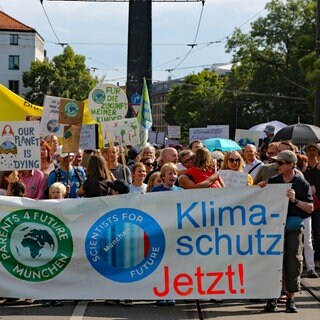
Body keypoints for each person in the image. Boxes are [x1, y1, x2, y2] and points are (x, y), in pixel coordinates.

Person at [260, 150, 313, 313]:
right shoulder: (274, 181)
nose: (277, 166)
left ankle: (291, 299)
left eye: (281, 163)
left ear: (291, 165)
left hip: (292, 228)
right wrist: (258, 188)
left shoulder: (301, 183)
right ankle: (272, 297)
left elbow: (310, 207)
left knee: (293, 262)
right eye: (277, 162)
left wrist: (295, 200)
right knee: (273, 261)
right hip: (274, 227)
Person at [151, 162, 182, 306]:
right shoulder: (155, 191)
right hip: (159, 231)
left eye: (175, 173)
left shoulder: (180, 191)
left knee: (173, 263)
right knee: (161, 262)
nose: (173, 176)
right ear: (163, 177)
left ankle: (171, 293)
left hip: (174, 232)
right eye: (170, 174)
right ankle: (160, 293)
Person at [296, 153, 318, 278]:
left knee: (307, 241)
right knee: (304, 241)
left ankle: (310, 267)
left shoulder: (302, 176)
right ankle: (307, 267)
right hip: (295, 215)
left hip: (304, 214)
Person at [303, 143, 320, 273]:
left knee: (318, 232)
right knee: (309, 234)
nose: (312, 152)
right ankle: (310, 259)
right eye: (309, 150)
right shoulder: (304, 168)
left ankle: (318, 258)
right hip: (308, 204)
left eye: (314, 150)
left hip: (319, 204)